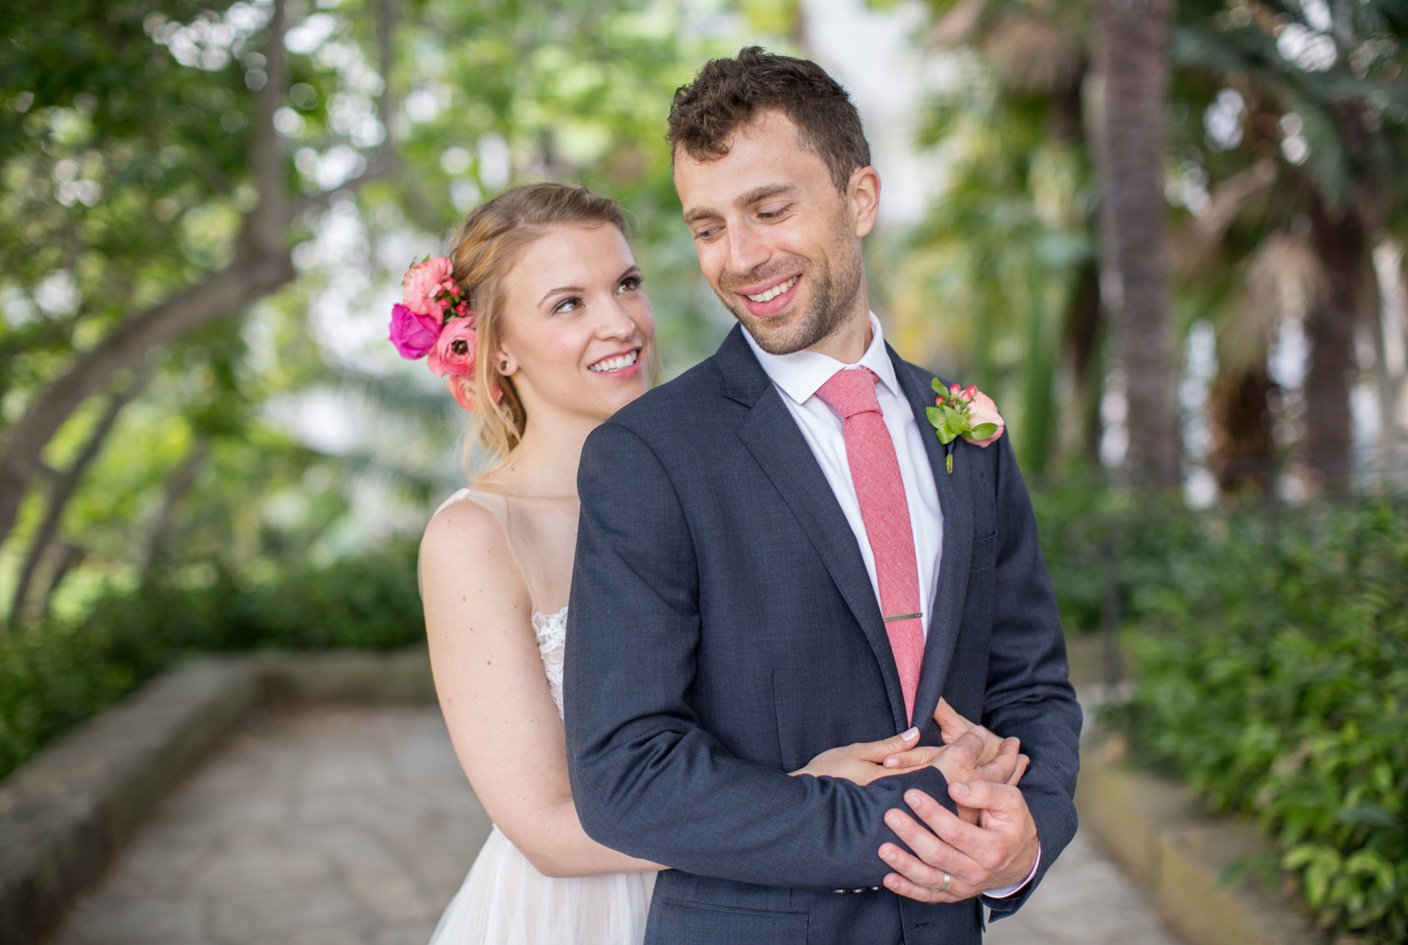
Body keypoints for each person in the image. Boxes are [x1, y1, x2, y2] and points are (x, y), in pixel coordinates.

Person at [564, 48, 1083, 945]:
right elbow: (624, 776)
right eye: (707, 227)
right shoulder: (646, 456)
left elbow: (1031, 686)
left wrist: (1024, 834)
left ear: (860, 199)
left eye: (769, 209)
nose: (740, 257)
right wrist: (909, 820)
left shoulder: (968, 429)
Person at [402, 183, 1011, 945]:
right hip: (584, 913)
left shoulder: (707, 467)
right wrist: (807, 798)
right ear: (495, 347)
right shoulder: (475, 538)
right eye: (568, 304)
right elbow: (548, 829)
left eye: (626, 284)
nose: (620, 322)